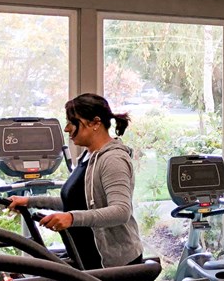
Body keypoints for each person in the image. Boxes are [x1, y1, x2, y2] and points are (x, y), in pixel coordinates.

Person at [8, 93, 142, 268]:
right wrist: (29, 201)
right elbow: (78, 202)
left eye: (72, 121)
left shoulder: (113, 160)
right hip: (86, 258)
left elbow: (121, 211)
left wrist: (71, 218)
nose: (67, 128)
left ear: (95, 122)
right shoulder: (88, 156)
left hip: (114, 265)